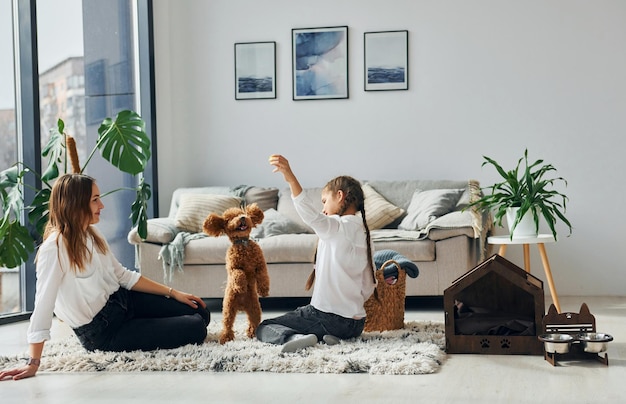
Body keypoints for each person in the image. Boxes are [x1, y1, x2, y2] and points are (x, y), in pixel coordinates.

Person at [0, 173, 210, 381]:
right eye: (95, 200)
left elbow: (123, 275)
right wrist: (33, 363)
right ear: (75, 204)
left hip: (123, 301)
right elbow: (43, 306)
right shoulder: (54, 249)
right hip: (104, 332)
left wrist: (174, 293)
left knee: (201, 311)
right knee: (196, 327)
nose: (102, 205)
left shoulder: (92, 233)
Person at [256, 155, 376, 353]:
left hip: (328, 318)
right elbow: (368, 285)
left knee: (264, 327)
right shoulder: (366, 234)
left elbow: (309, 214)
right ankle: (330, 338)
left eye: (324, 201)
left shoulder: (335, 226)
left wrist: (290, 177)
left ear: (340, 196)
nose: (323, 209)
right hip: (356, 323)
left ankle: (296, 338)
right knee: (314, 320)